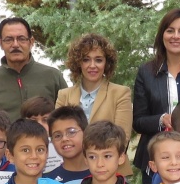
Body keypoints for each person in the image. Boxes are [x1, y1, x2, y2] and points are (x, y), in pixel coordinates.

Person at [132, 9, 180, 184]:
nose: (176, 36)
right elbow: (138, 121)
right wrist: (162, 120)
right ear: (162, 35)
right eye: (170, 30)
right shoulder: (146, 72)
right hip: (156, 164)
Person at [56, 33, 133, 175]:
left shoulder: (121, 93)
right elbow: (58, 135)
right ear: (78, 63)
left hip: (110, 171)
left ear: (106, 63)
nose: (92, 66)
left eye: (98, 60)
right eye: (86, 60)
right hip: (72, 169)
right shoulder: (63, 95)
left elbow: (122, 137)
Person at [0, 17, 67, 122]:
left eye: (21, 39)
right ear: (0, 43)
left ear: (31, 42)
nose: (15, 45)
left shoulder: (53, 77)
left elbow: (66, 118)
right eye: (9, 39)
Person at [48, 105, 91, 184]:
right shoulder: (48, 182)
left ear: (86, 133)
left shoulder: (101, 175)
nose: (64, 139)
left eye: (71, 132)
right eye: (57, 135)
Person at [21, 96, 63, 173]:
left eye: (45, 120)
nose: (39, 124)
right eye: (33, 120)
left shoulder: (62, 144)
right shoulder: (17, 146)